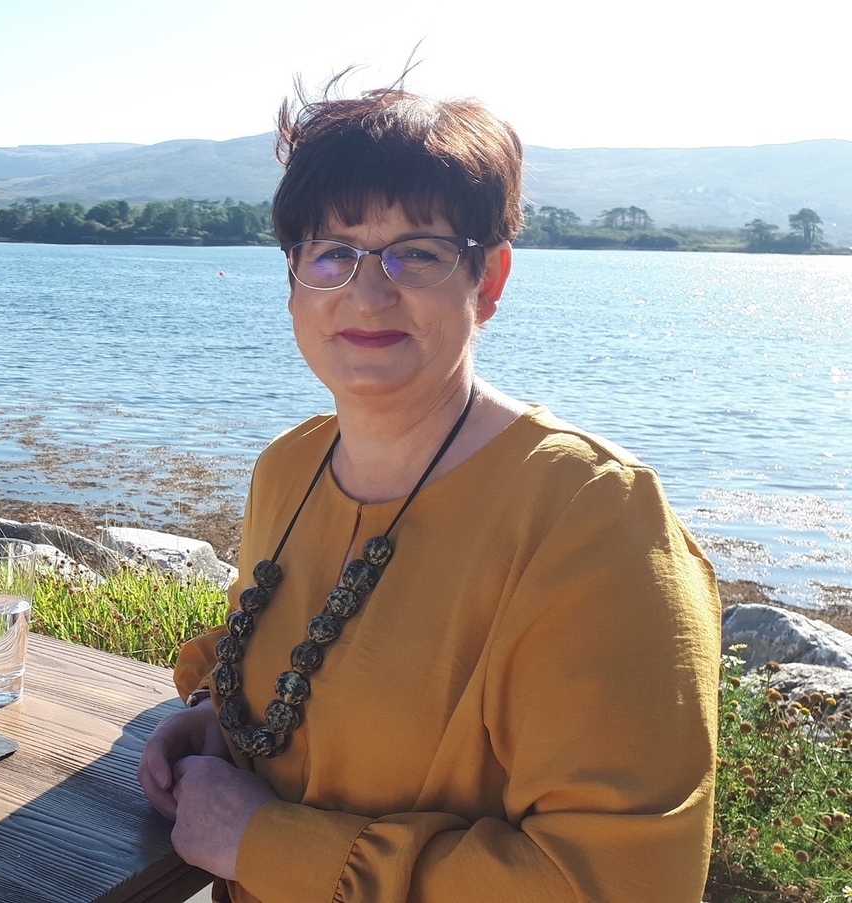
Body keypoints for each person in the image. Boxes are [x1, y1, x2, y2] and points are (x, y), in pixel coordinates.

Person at [137, 85, 722, 901]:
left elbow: (616, 884)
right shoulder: (288, 468)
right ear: (295, 278)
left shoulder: (592, 518)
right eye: (331, 251)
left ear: (489, 280)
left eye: (417, 252)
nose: (367, 292)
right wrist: (227, 727)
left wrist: (263, 841)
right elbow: (319, 680)